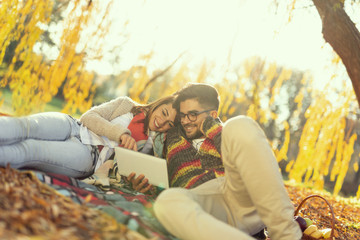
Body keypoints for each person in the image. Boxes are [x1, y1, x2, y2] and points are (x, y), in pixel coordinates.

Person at [153, 83, 302, 240]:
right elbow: (143, 112)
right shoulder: (173, 134)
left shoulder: (226, 133)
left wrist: (212, 127)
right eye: (183, 115)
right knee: (166, 201)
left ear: (212, 113)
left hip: (239, 195)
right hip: (203, 203)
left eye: (193, 114)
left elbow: (237, 160)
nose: (185, 121)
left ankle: (287, 235)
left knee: (240, 124)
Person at [0, 95, 177, 183]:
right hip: (73, 125)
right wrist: (120, 134)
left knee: (29, 149)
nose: (162, 122)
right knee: (24, 126)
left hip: (87, 156)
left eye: (169, 124)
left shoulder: (152, 147)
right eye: (164, 112)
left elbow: (128, 173)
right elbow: (89, 117)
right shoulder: (126, 104)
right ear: (159, 103)